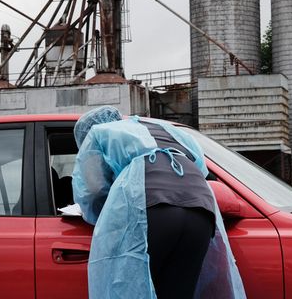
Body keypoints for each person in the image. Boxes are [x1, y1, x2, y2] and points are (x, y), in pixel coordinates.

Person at [72, 105, 246, 299]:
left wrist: (100, 215)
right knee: (179, 291)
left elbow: (94, 190)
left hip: (152, 211)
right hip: (200, 211)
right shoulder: (167, 129)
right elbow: (201, 171)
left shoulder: (98, 133)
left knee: (133, 290)